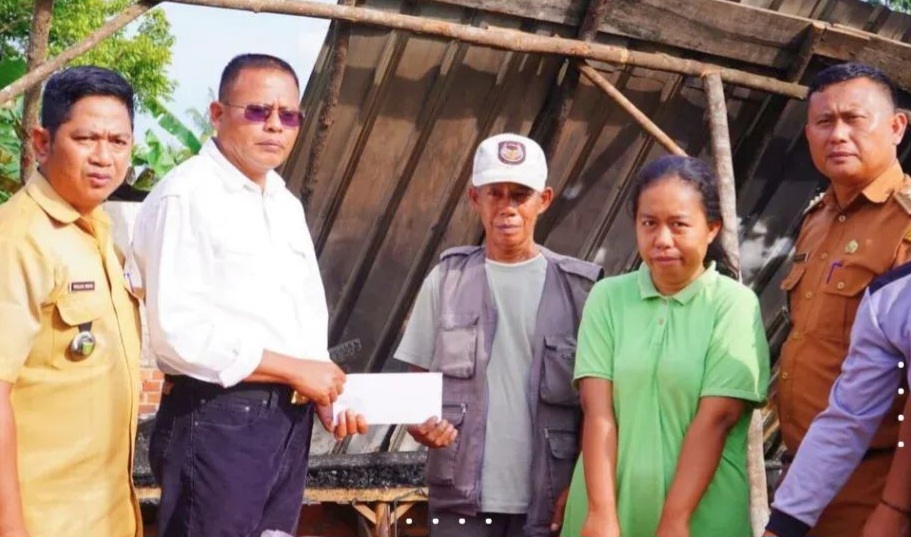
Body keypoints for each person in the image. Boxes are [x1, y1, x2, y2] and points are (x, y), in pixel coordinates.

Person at [131, 54, 366, 537]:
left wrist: (318, 387)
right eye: (258, 111)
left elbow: (300, 312)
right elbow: (177, 333)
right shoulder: (187, 195)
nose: (275, 127)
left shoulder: (283, 202)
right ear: (217, 114)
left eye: (289, 116)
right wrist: (296, 369)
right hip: (217, 420)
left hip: (285, 420)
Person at [394, 133, 602, 537]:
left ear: (543, 200)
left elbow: (598, 407)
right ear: (476, 198)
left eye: (520, 195)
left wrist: (581, 483)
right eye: (496, 194)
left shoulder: (581, 291)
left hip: (548, 499)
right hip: (460, 500)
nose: (507, 207)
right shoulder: (446, 280)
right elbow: (415, 386)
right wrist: (420, 424)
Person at [560, 155, 770, 537]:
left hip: (701, 517)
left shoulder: (734, 305)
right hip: (608, 512)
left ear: (712, 229)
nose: (662, 240)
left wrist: (676, 519)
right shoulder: (608, 298)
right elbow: (598, 411)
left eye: (679, 225)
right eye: (649, 223)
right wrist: (601, 513)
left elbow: (718, 418)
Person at [765, 62, 911, 537]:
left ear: (896, 127)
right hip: (808, 476)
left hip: (877, 486)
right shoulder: (818, 217)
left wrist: (895, 507)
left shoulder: (907, 225)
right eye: (824, 122)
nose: (838, 134)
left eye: (854, 119)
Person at [0, 66, 142, 537]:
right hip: (43, 519)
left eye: (118, 142)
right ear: (42, 142)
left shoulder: (101, 233)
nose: (104, 157)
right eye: (86, 138)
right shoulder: (18, 238)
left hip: (107, 513)